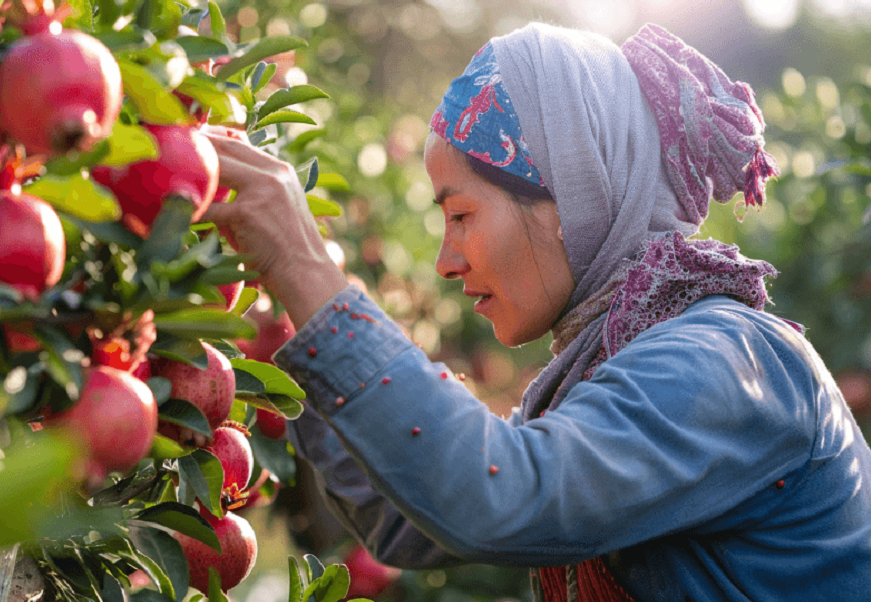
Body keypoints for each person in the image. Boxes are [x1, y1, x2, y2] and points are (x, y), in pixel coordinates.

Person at [201, 22, 871, 602]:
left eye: (461, 215)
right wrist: (296, 310)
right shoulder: (606, 371)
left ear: (572, 199)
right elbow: (406, 518)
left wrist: (304, 265)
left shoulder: (723, 363)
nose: (445, 259)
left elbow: (495, 496)